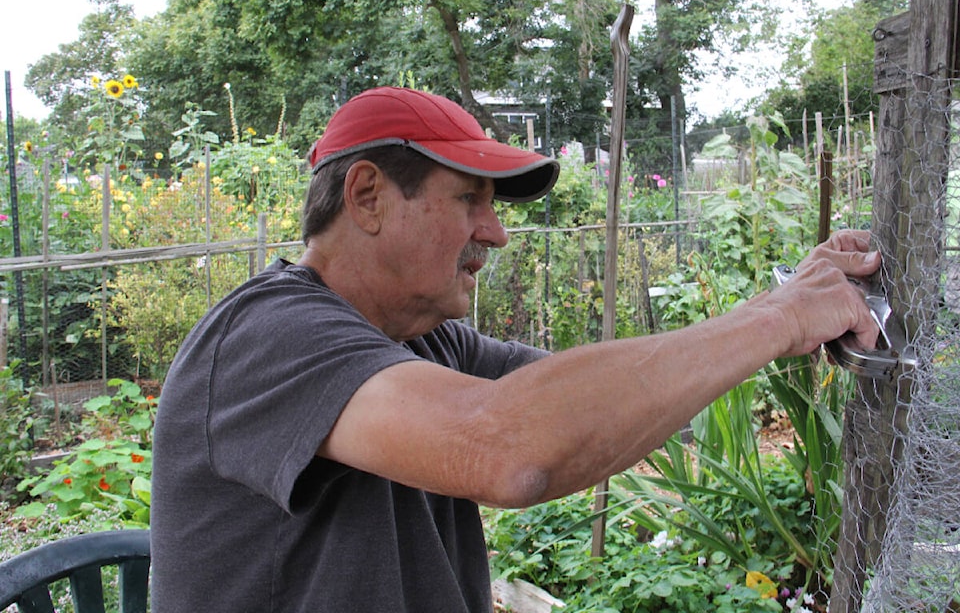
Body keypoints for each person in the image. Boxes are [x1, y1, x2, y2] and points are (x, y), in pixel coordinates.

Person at [150, 86, 880, 612]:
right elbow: (511, 449)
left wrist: (783, 315)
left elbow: (590, 408)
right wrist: (773, 321)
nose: (496, 233)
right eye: (470, 198)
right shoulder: (265, 338)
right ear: (367, 196)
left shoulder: (423, 342)